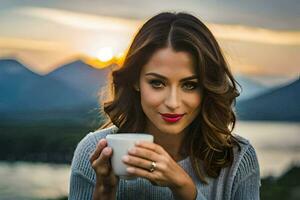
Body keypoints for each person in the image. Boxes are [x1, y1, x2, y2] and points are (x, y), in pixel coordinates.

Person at [68, 12, 260, 200]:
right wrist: (104, 192)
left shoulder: (237, 159)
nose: (173, 103)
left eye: (189, 85)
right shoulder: (95, 152)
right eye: (157, 83)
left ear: (207, 88)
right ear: (136, 81)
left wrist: (184, 189)